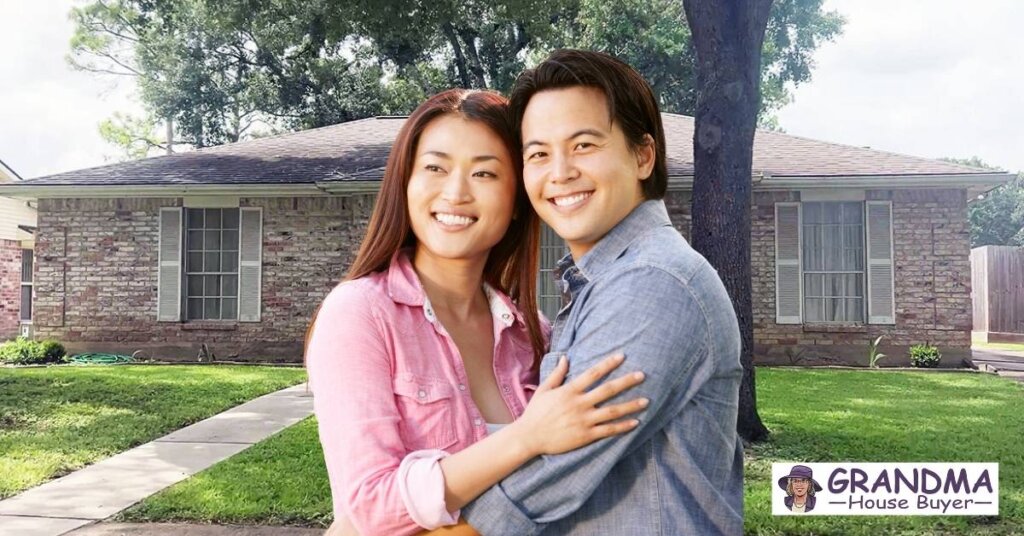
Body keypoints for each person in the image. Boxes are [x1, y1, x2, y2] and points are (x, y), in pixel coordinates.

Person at [305, 88, 648, 536]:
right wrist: (526, 438)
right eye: (434, 168)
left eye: (484, 174)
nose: (456, 193)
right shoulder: (360, 314)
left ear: (515, 201)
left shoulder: (533, 334)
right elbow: (371, 506)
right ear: (405, 183)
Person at [458, 49, 745, 536]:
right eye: (538, 154)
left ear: (643, 155)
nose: (560, 172)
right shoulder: (604, 279)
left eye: (584, 145)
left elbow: (546, 475)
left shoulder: (653, 282)